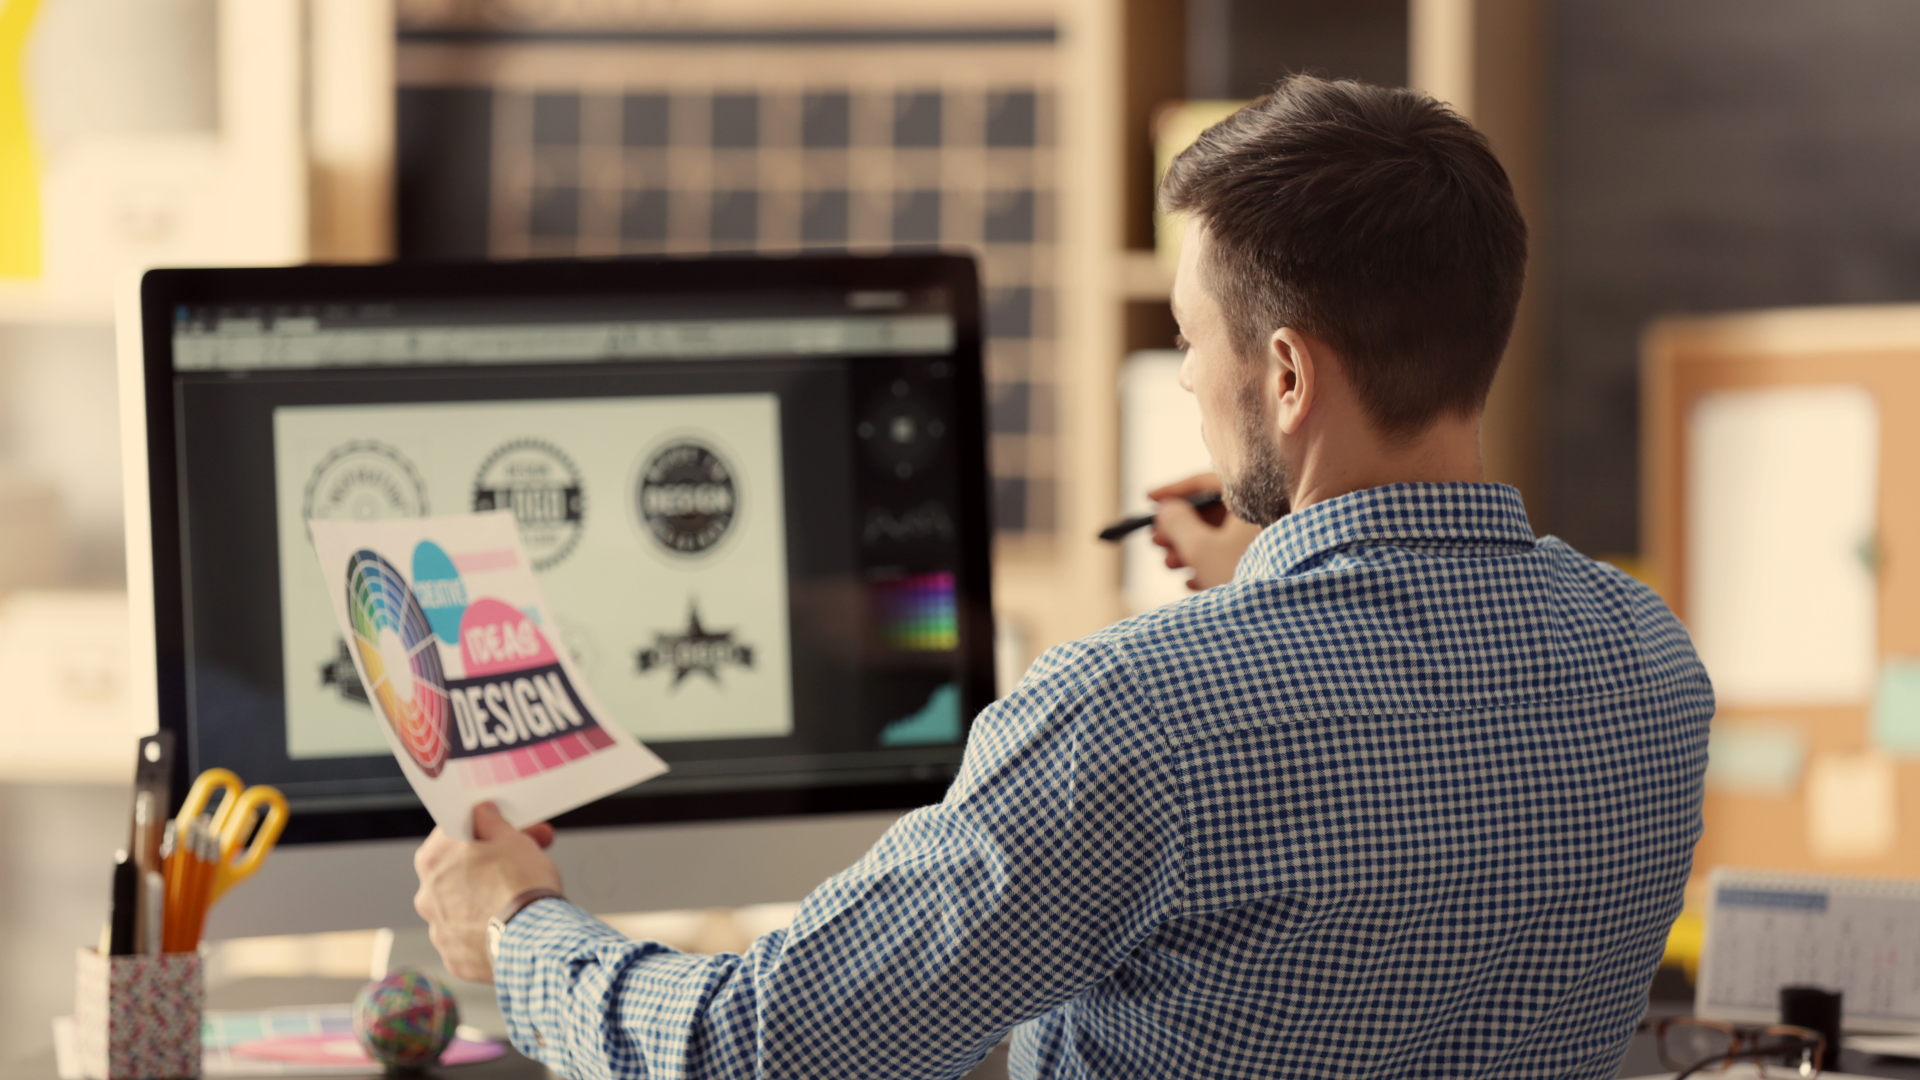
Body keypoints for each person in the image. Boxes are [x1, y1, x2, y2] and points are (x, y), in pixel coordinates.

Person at [412, 75, 1711, 1079]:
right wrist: (1276, 593)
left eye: (1190, 338)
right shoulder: (1652, 662)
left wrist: (519, 934)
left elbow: (761, 1051)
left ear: (1290, 374)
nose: (1193, 382)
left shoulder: (1134, 713)